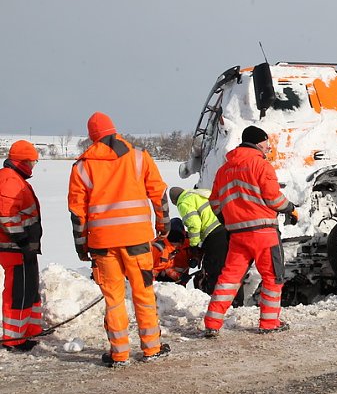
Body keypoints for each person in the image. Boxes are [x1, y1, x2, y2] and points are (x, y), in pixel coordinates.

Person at [67, 112, 172, 367]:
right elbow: (158, 194)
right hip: (137, 240)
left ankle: (119, 354)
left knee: (113, 299)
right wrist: (163, 226)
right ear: (115, 130)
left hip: (102, 244)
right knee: (143, 294)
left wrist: (81, 245)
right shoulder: (139, 157)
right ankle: (152, 348)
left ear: (92, 136)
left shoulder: (82, 167)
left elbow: (77, 213)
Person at [203, 125, 298, 337]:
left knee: (229, 278)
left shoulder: (223, 170)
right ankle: (269, 323)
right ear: (257, 143)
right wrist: (290, 208)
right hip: (264, 233)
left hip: (237, 235)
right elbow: (273, 199)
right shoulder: (261, 165)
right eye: (266, 143)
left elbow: (215, 202)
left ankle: (212, 322)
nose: (268, 148)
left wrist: (228, 220)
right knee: (273, 277)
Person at [0, 141, 44, 352]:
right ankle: (14, 338)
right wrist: (23, 240)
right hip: (14, 247)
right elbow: (6, 215)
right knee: (19, 292)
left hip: (23, 247)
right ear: (23, 161)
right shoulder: (9, 180)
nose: (33, 166)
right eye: (32, 162)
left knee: (30, 289)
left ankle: (31, 330)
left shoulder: (15, 178)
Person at [168, 186, 234, 302]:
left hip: (213, 234)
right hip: (224, 228)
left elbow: (194, 224)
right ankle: (235, 301)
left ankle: (216, 301)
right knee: (228, 267)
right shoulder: (198, 194)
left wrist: (194, 245)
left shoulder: (183, 202)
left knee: (214, 270)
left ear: (174, 201)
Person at [151, 218, 196, 284]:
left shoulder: (189, 242)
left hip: (180, 277)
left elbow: (197, 251)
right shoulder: (159, 247)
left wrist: (195, 258)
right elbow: (150, 269)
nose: (176, 245)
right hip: (159, 278)